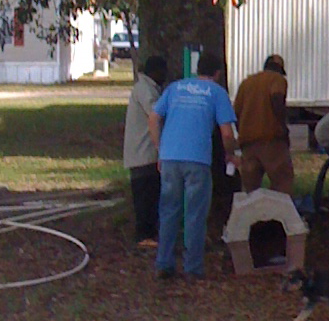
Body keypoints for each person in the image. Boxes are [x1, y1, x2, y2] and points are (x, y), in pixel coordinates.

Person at [148, 51, 239, 280]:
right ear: (217, 73)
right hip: (197, 159)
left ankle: (164, 263)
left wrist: (160, 148)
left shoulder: (175, 88)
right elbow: (227, 133)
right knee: (195, 213)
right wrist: (230, 154)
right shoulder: (217, 93)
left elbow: (153, 117)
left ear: (197, 69)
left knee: (169, 210)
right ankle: (192, 267)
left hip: (170, 157)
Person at [233, 54, 295, 195]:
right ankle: (278, 210)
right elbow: (277, 99)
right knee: (282, 183)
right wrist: (284, 128)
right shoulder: (277, 79)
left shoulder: (246, 83)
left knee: (250, 190)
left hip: (248, 144)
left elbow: (236, 113)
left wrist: (242, 133)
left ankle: (252, 209)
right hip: (272, 141)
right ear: (279, 69)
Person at [123, 55, 167, 247]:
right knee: (144, 195)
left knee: (151, 194)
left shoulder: (149, 88)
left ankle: (150, 232)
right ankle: (143, 235)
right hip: (142, 152)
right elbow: (156, 113)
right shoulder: (145, 89)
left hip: (147, 152)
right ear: (155, 72)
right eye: (163, 72)